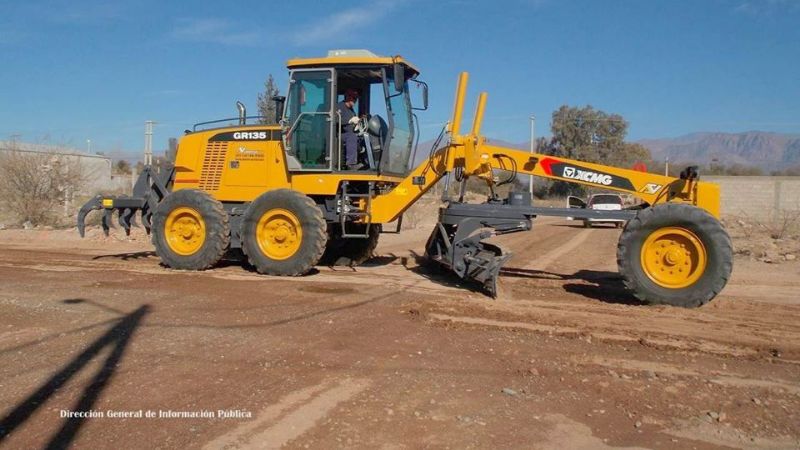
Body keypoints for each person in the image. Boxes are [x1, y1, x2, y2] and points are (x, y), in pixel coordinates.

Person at [338, 89, 362, 170]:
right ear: (348, 97)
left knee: (361, 138)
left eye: (356, 98)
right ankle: (351, 164)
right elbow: (335, 120)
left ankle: (363, 162)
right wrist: (349, 121)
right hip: (338, 134)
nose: (355, 100)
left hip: (348, 133)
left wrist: (357, 125)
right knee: (351, 137)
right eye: (354, 98)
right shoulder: (339, 107)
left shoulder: (351, 110)